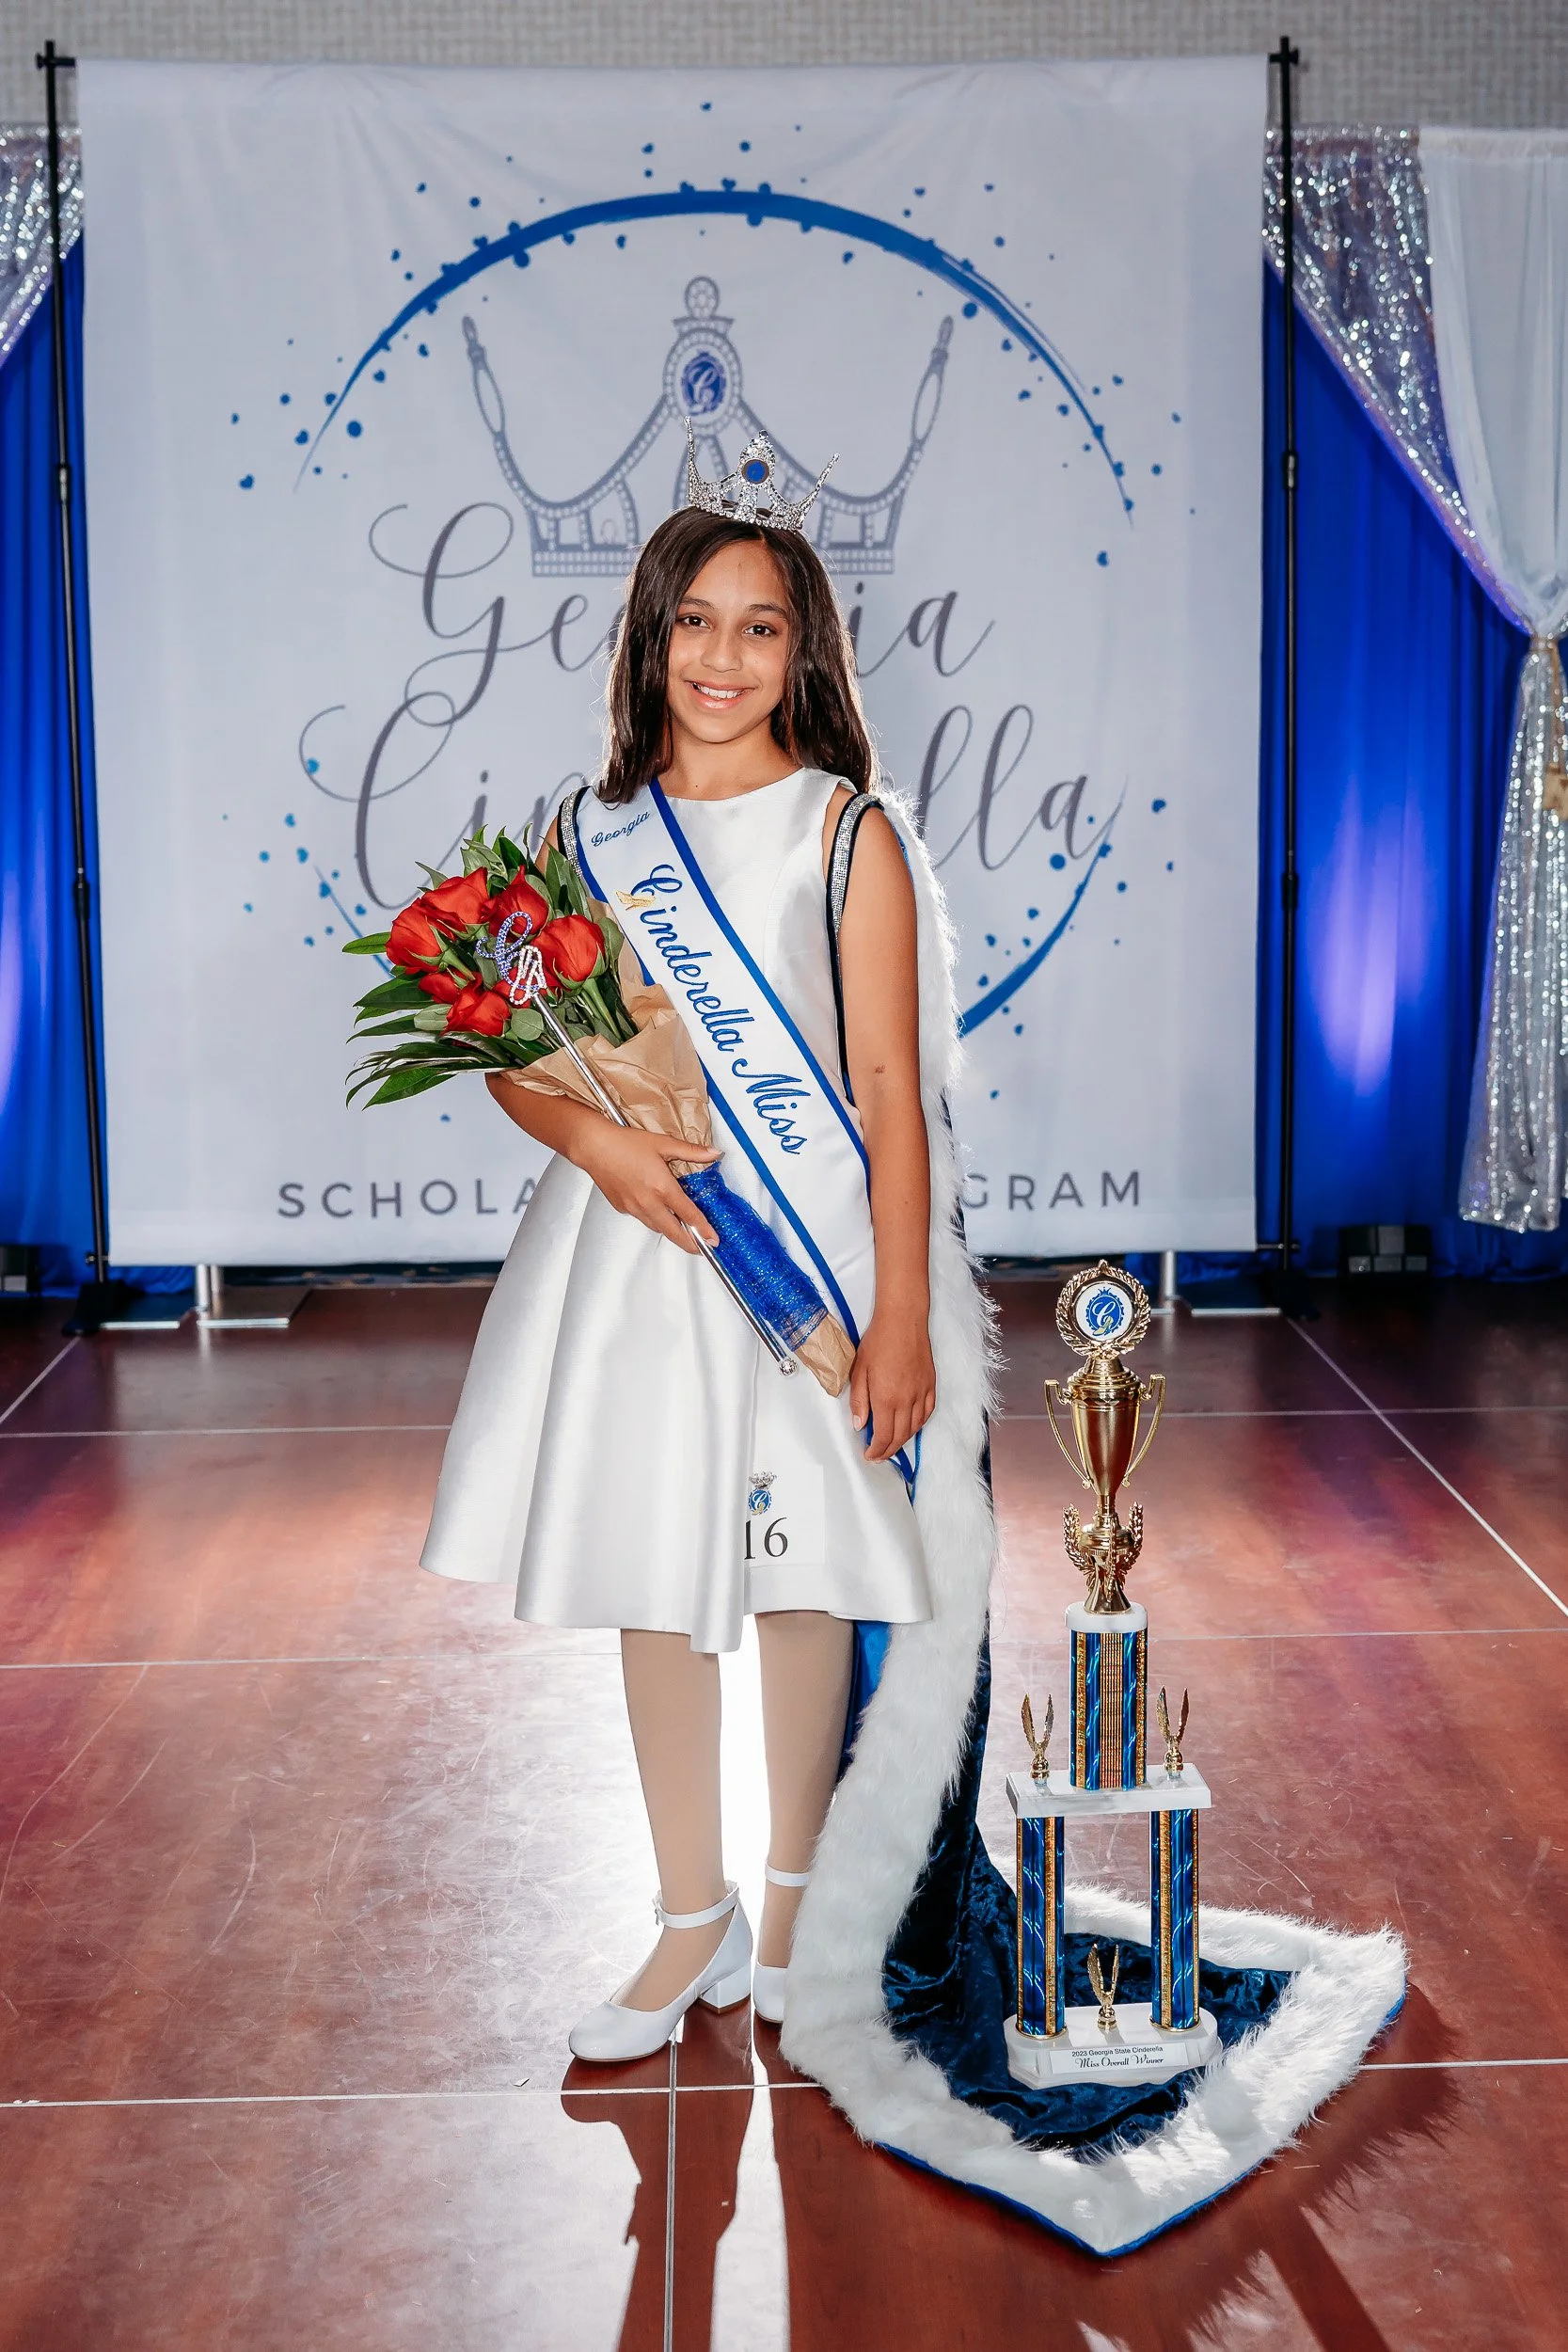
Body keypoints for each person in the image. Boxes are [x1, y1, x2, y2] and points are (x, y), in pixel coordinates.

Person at [421, 446, 990, 2066]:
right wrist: (594, 1143)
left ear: (802, 651)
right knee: (650, 1575)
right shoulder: (588, 831)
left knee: (801, 1569)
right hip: (633, 1264)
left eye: (758, 627)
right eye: (693, 622)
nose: (721, 659)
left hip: (798, 1267)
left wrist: (899, 1320)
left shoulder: (844, 835)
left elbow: (889, 1093)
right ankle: (693, 1915)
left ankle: (799, 1903)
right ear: (646, 640)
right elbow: (514, 1046)